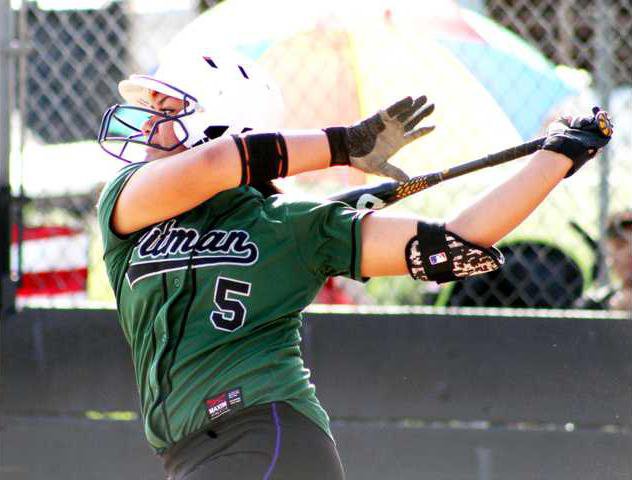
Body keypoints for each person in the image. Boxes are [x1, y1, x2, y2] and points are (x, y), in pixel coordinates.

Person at [96, 52, 612, 480]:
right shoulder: (127, 205)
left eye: (168, 108)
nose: (148, 123)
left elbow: (456, 241)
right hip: (190, 456)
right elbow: (214, 165)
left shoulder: (290, 226)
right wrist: (343, 145)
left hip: (264, 433)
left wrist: (556, 158)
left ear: (220, 123)